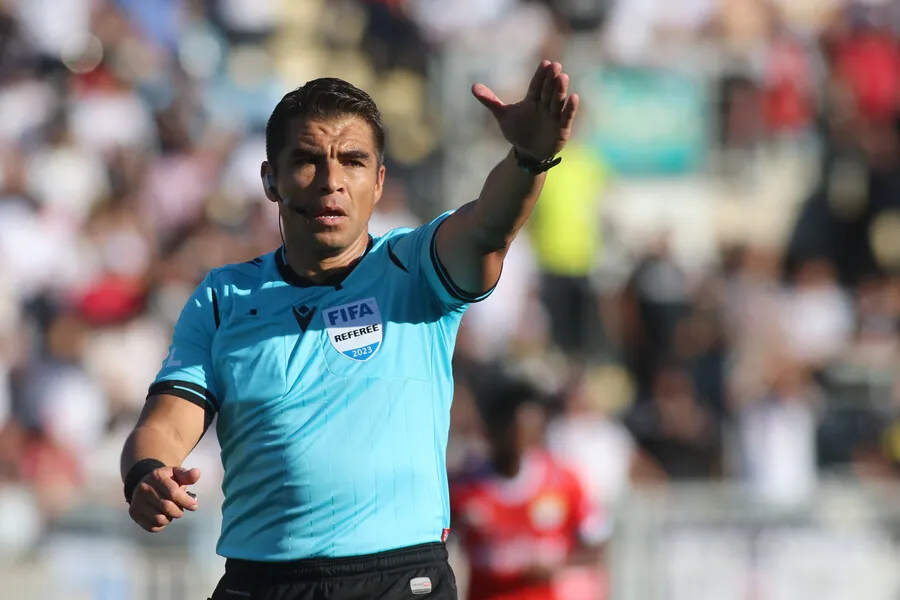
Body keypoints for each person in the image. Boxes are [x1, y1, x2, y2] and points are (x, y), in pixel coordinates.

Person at [119, 60, 580, 600]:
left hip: (399, 579)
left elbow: (488, 227)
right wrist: (147, 473)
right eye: (308, 161)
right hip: (261, 582)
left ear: (379, 181)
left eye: (353, 161)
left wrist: (529, 159)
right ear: (270, 179)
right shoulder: (224, 297)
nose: (332, 180)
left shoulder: (415, 269)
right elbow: (165, 425)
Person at [451, 378, 609, 600]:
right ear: (492, 430)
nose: (520, 440)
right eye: (513, 430)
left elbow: (597, 541)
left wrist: (559, 565)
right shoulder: (463, 486)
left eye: (529, 430)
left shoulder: (563, 480)